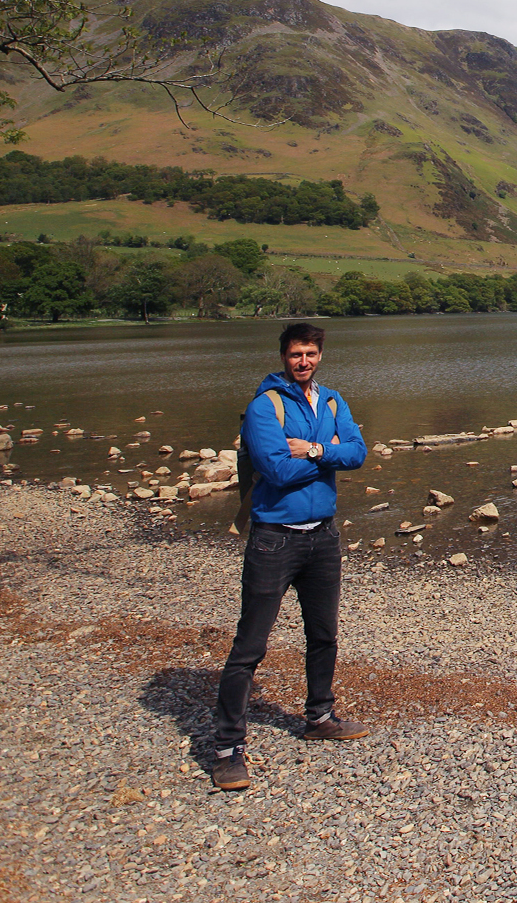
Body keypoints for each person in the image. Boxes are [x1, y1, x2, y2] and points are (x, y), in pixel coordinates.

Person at [210, 322, 372, 791]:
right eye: (296, 354)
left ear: (320, 356)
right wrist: (329, 455)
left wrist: (317, 449)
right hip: (274, 539)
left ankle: (319, 717)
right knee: (250, 646)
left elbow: (358, 454)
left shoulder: (334, 401)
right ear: (283, 356)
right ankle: (226, 749)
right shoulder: (265, 406)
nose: (303, 361)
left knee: (323, 634)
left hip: (323, 537)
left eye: (311, 354)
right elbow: (276, 470)